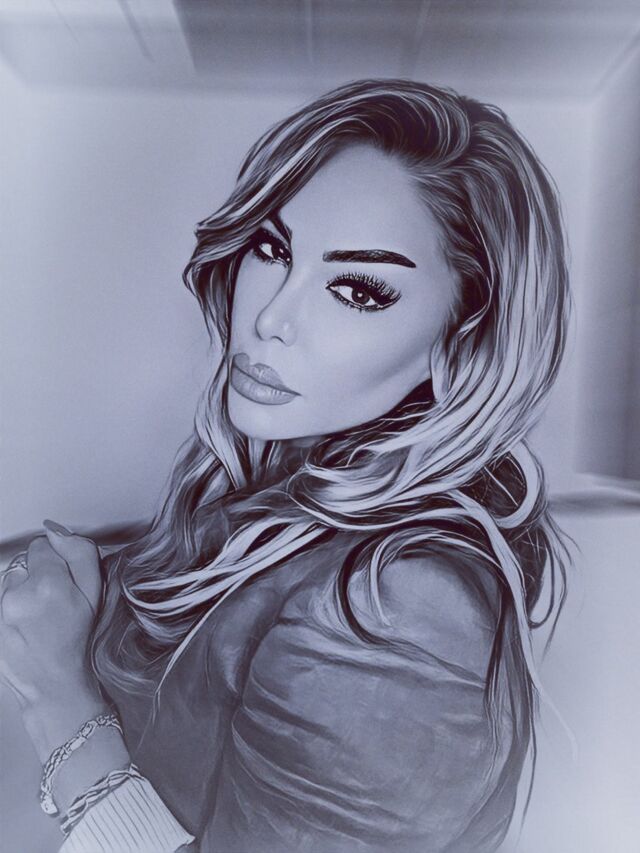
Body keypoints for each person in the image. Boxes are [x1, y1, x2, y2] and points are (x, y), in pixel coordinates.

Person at [0, 79, 570, 852]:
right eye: (272, 249)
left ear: (460, 340)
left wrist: (56, 694)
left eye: (358, 289)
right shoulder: (288, 480)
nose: (270, 317)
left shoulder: (400, 607)